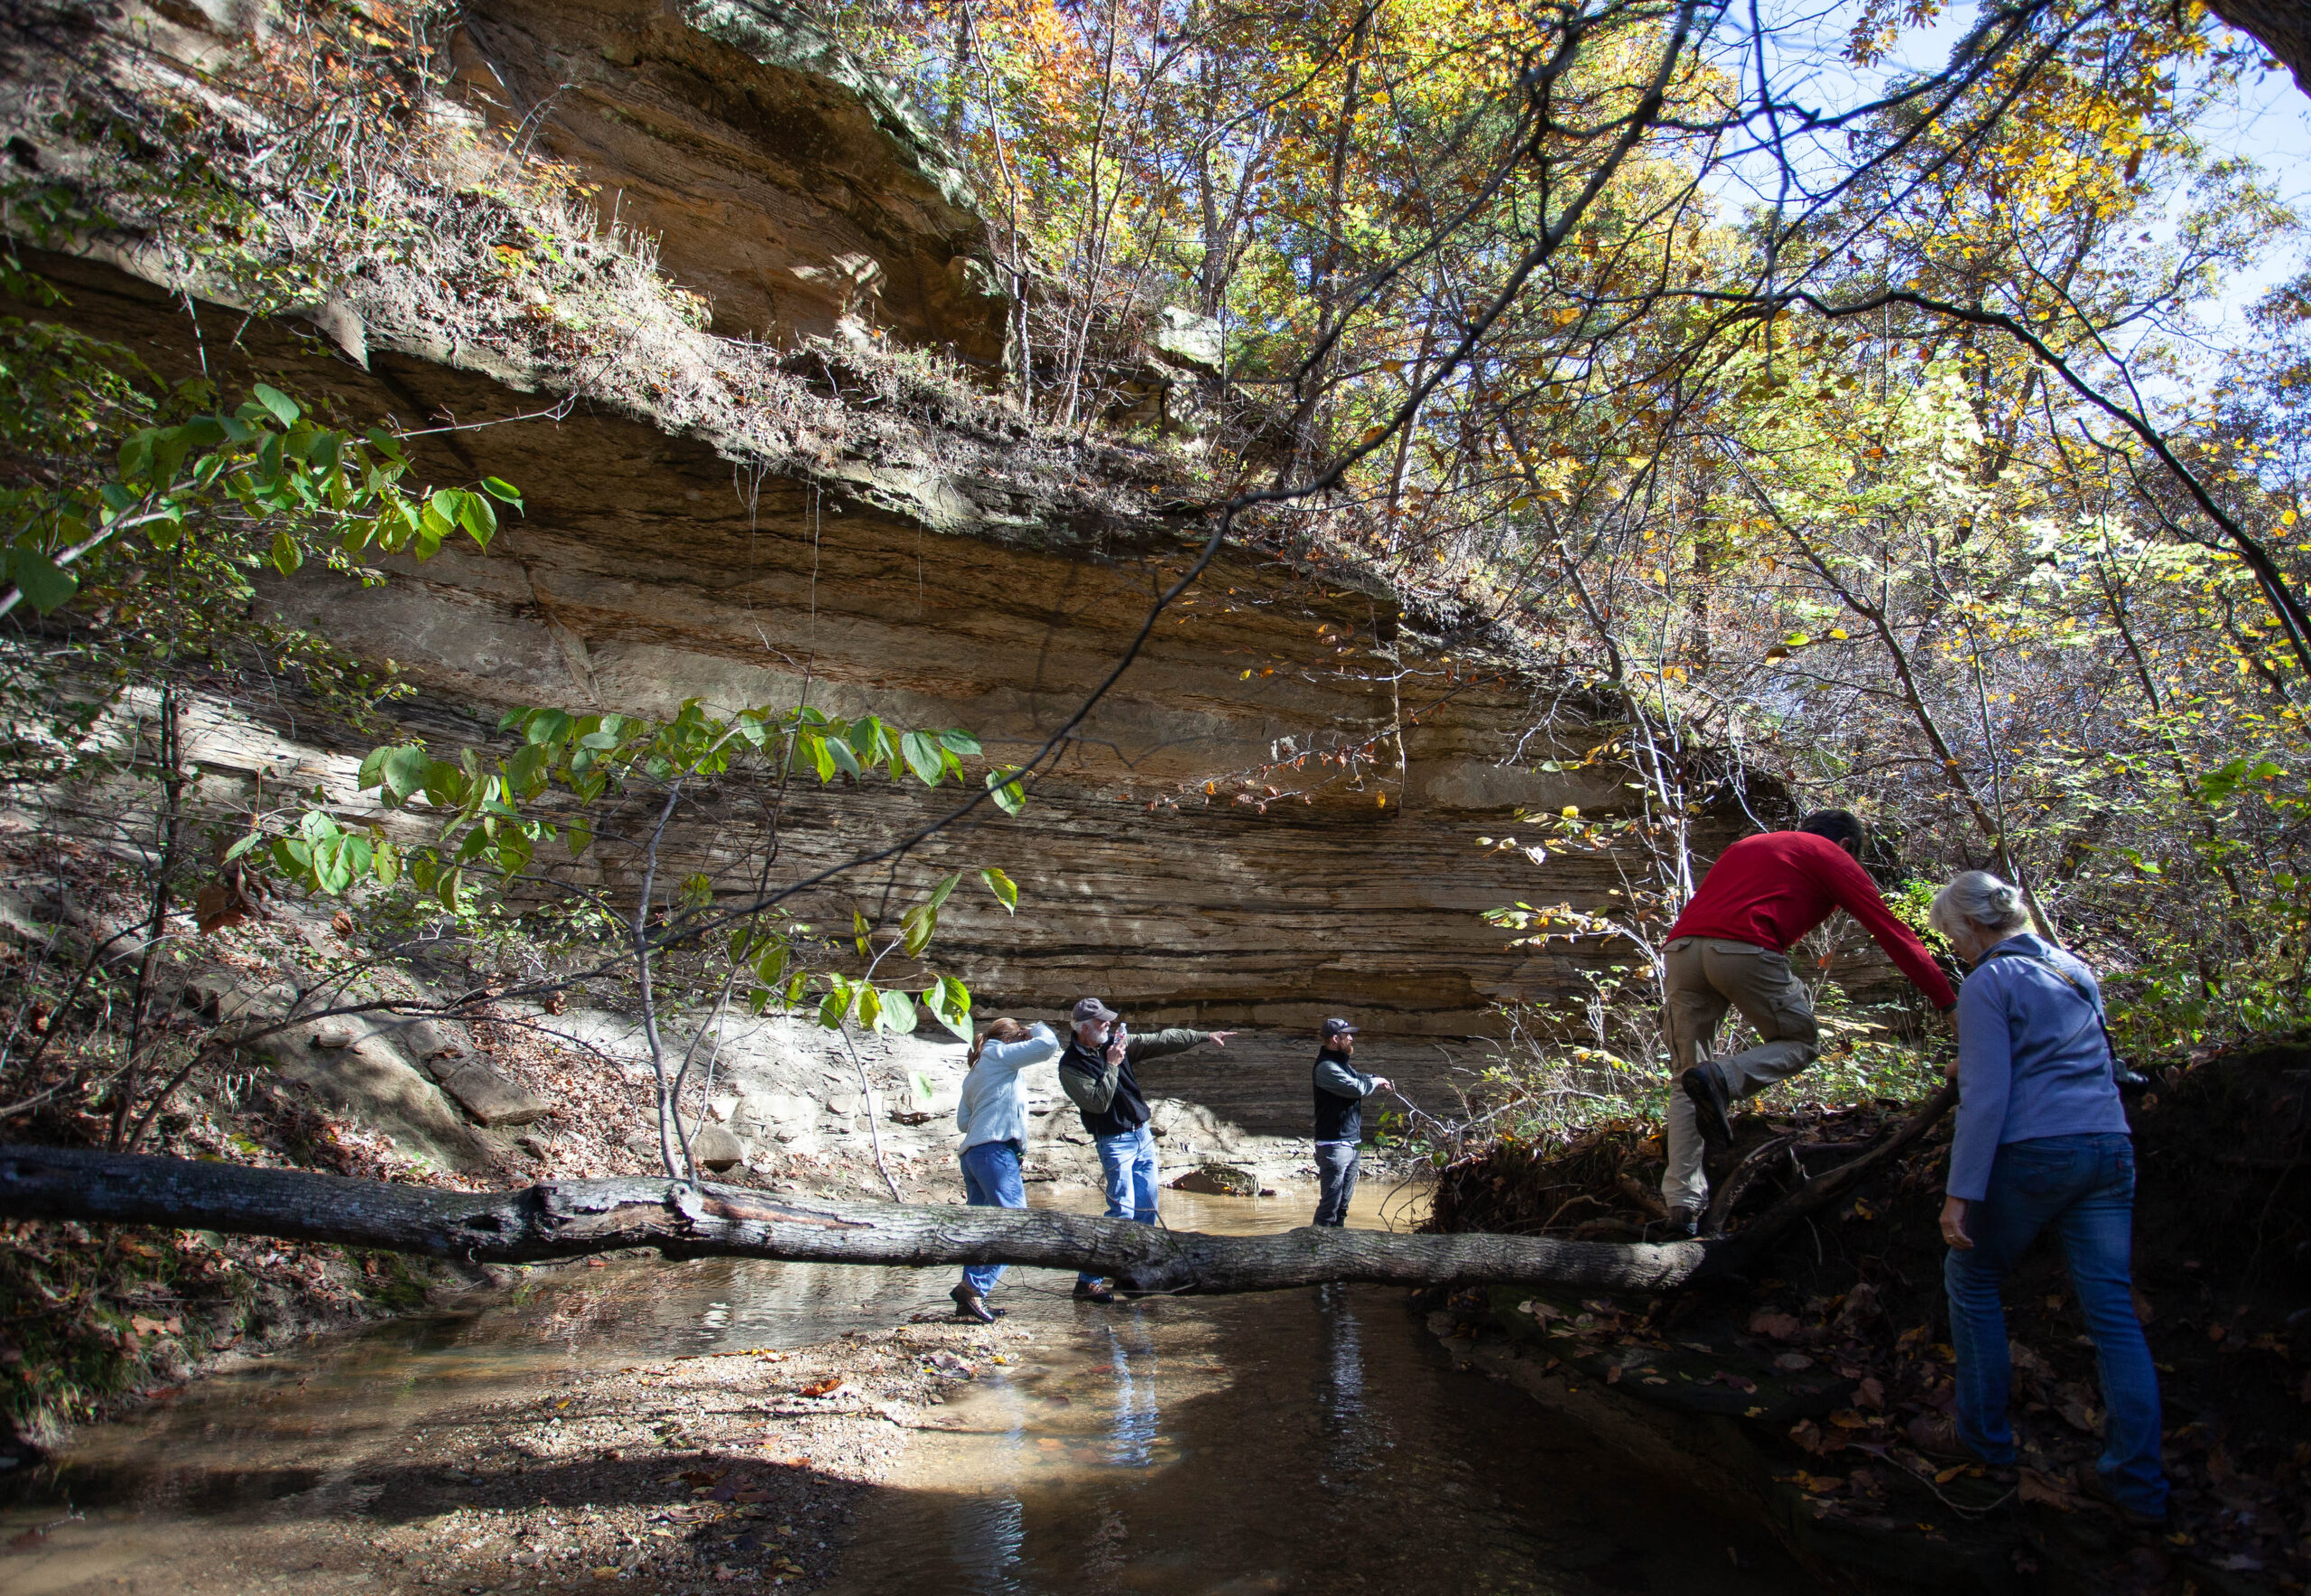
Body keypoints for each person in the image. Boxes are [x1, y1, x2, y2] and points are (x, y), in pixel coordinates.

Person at [1926, 870, 2167, 1524]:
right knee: (2112, 1313)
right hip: (2109, 1148)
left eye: (1954, 935)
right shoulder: (2072, 968)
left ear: (1975, 926)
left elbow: (1988, 1099)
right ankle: (2139, 1484)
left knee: (1971, 1279)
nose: (1957, 947)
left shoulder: (1988, 982)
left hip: (2035, 1151)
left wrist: (1960, 1195)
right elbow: (2053, 1053)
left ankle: (1982, 1439)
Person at [1659, 809, 1957, 1232]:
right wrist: (1947, 1002)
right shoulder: (1830, 854)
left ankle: (1682, 1206)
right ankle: (1724, 1078)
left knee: (1684, 1075)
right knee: (1800, 1042)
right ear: (1848, 846)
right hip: (1745, 948)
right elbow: (1890, 930)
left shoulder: (1748, 845)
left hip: (1681, 951)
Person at [1056, 997, 1236, 1303]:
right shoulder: (1071, 1065)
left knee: (1147, 1207)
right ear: (1084, 1028)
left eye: (1108, 1020)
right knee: (1122, 1210)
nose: (1108, 1025)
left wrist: (1204, 1037)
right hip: (1113, 1141)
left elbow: (1161, 1040)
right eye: (1102, 1022)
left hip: (1141, 1135)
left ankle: (1133, 1275)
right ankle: (1087, 1282)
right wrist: (1112, 1065)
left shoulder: (1116, 1043)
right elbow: (1097, 1102)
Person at [951, 1016, 1061, 1324]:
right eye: (1021, 1039)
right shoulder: (999, 1054)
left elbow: (962, 1122)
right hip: (995, 1151)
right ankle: (973, 1288)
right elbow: (1048, 1045)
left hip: (973, 1154)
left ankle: (970, 1300)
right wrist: (1036, 1025)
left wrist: (990, 1110)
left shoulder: (975, 1072)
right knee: (1018, 1223)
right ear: (1013, 1040)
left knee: (981, 1228)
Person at [1311, 1018, 1390, 1227]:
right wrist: (1374, 1082)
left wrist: (1375, 1077)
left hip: (1351, 1142)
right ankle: (1315, 1248)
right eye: (1348, 1035)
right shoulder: (1326, 1067)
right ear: (1336, 1039)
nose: (1352, 1038)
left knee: (1342, 1206)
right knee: (1330, 1206)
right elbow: (1357, 1088)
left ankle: (1338, 1248)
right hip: (1334, 1145)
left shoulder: (1340, 1062)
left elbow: (1359, 1077)